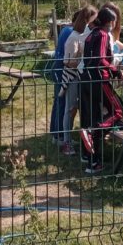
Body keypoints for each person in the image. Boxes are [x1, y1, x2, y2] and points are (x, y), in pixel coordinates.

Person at [80, 7, 123, 175]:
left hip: (86, 78)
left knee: (95, 117)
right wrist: (115, 70)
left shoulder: (91, 34)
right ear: (109, 22)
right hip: (99, 78)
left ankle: (93, 162)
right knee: (118, 112)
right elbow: (100, 58)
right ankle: (93, 132)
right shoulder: (104, 34)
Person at [60, 6, 97, 157]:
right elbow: (67, 61)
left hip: (81, 76)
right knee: (70, 109)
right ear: (87, 19)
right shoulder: (74, 37)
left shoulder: (83, 35)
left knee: (78, 108)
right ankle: (66, 141)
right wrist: (84, 62)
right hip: (72, 77)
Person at [49, 10, 79, 148]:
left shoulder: (65, 29)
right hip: (64, 70)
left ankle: (55, 134)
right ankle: (60, 135)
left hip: (58, 68)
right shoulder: (71, 32)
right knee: (62, 103)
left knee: (58, 102)